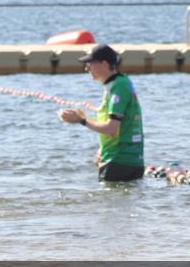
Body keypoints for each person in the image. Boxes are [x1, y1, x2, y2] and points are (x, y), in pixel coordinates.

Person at [59, 44, 145, 182]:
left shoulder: (118, 86)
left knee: (108, 202)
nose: (86, 68)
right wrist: (102, 149)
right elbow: (118, 126)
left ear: (104, 64)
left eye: (90, 63)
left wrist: (81, 120)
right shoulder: (119, 82)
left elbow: (111, 128)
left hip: (118, 162)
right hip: (126, 161)